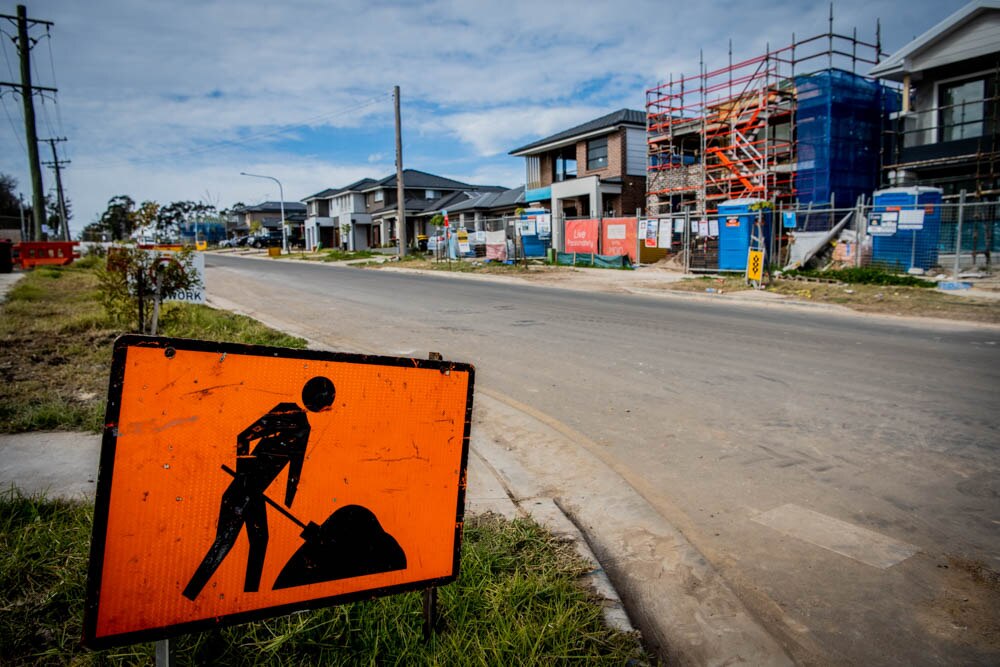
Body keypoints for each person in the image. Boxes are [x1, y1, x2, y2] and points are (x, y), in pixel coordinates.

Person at [182, 376, 335, 600]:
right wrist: (244, 477)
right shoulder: (286, 413)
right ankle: (190, 594)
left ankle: (250, 597)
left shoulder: (305, 427)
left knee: (260, 541)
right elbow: (243, 437)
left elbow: (295, 470)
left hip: (254, 494)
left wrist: (289, 501)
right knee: (224, 543)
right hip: (240, 492)